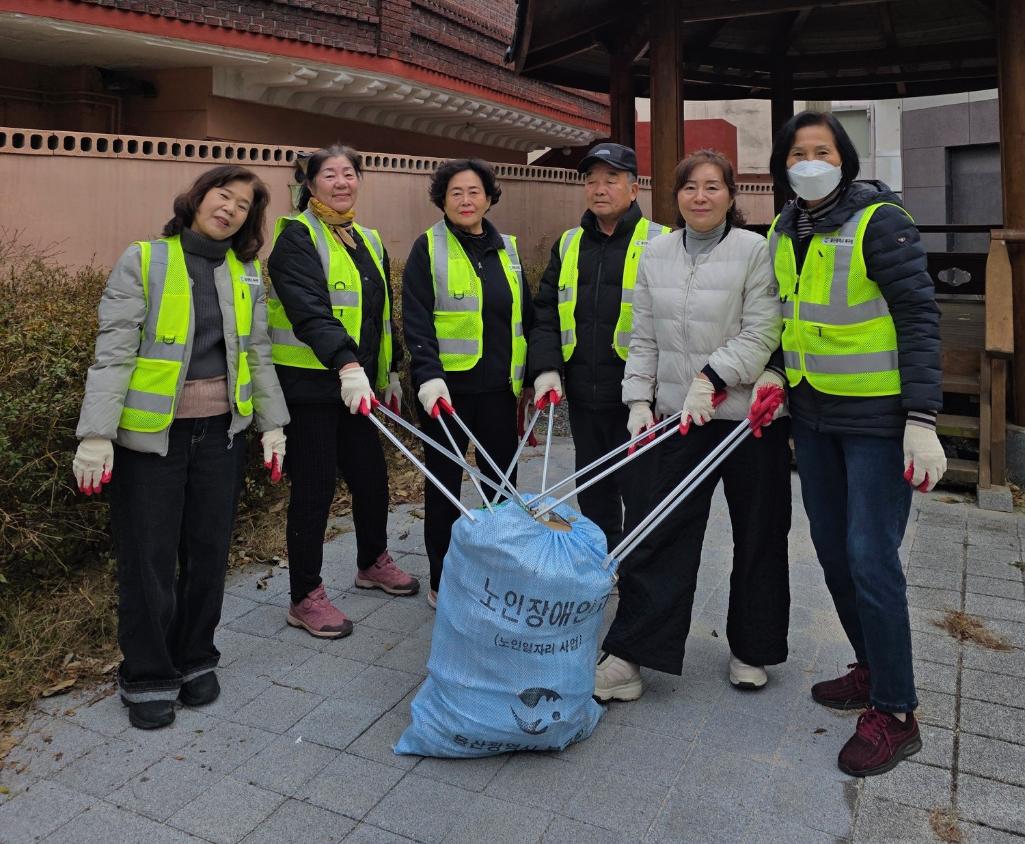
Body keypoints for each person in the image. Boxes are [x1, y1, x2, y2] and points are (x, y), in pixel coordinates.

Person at [73, 165, 289, 730]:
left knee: (208, 551)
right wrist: (95, 434)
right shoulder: (144, 259)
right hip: (152, 441)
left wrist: (272, 425)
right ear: (198, 196)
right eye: (224, 194)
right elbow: (114, 353)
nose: (230, 209)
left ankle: (195, 657)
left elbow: (258, 352)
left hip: (220, 434)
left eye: (244, 205)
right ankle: (146, 672)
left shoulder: (245, 271)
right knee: (148, 559)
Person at [767, 111, 945, 777]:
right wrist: (772, 378)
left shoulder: (879, 222)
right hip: (812, 418)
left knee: (871, 560)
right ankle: (871, 671)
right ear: (781, 167)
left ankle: (896, 714)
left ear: (843, 159)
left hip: (876, 420)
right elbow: (790, 319)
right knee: (834, 556)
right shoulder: (786, 230)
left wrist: (922, 418)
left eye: (822, 150)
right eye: (797, 153)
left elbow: (918, 315)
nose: (809, 161)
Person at [595, 149, 792, 702]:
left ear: (732, 195)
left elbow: (763, 331)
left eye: (712, 187)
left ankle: (752, 648)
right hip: (680, 419)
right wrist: (639, 400)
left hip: (751, 420)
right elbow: (643, 336)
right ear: (675, 196)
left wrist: (713, 376)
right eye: (689, 188)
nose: (700, 197)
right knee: (658, 534)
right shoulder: (655, 253)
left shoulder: (756, 251)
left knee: (759, 534)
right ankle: (631, 656)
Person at [267, 144, 418, 640]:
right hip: (310, 384)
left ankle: (372, 561)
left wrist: (388, 371)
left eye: (349, 173)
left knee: (372, 477)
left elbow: (375, 313)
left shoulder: (366, 238)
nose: (340, 182)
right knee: (314, 490)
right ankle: (304, 596)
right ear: (309, 185)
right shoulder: (295, 237)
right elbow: (309, 309)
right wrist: (348, 363)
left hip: (357, 385)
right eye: (328, 175)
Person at [402, 158, 533, 608]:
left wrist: (535, 376)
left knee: (503, 487)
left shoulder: (508, 249)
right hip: (446, 396)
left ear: (489, 196)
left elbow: (525, 319)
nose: (465, 200)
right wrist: (428, 376)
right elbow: (417, 321)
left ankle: (499, 571)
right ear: (442, 199)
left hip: (500, 390)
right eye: (455, 192)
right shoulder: (428, 248)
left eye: (474, 191)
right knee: (444, 487)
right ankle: (444, 577)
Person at [529, 142, 669, 550]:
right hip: (585, 395)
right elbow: (546, 312)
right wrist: (547, 368)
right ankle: (600, 566)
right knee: (593, 491)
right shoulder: (570, 242)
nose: (599, 188)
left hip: (641, 399)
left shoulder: (661, 241)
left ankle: (641, 575)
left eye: (611, 179)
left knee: (642, 493)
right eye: (591, 180)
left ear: (634, 188)